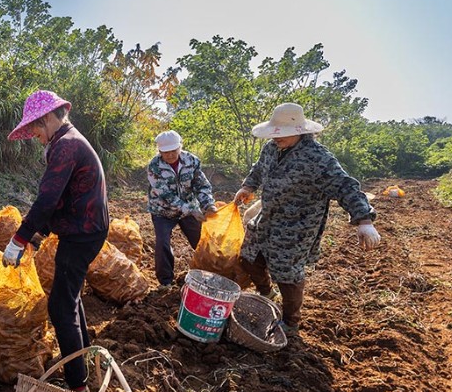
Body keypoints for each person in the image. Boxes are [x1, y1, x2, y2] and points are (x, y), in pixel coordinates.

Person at [234, 102, 381, 335]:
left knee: (287, 274)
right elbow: (259, 168)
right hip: (267, 218)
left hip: (297, 227)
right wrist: (248, 186)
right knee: (249, 258)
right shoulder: (272, 148)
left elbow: (345, 186)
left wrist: (364, 220)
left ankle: (290, 322)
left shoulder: (317, 158)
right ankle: (267, 293)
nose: (276, 138)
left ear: (299, 131)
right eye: (275, 133)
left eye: (282, 133)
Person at [1, 90, 109, 392]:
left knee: (60, 306)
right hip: (84, 229)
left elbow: (47, 200)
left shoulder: (66, 145)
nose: (34, 136)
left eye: (35, 128)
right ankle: (83, 359)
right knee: (69, 297)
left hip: (82, 233)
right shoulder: (67, 141)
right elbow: (62, 198)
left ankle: (78, 385)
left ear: (48, 118)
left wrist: (19, 238)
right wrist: (37, 234)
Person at [147, 130, 218, 288]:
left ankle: (210, 274)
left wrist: (208, 204)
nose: (170, 155)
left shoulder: (191, 161)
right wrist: (190, 209)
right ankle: (165, 281)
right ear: (160, 151)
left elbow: (201, 185)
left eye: (174, 150)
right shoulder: (154, 166)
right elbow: (166, 195)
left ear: (180, 147)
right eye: (166, 152)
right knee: (162, 243)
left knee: (200, 241)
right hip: (162, 211)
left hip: (189, 208)